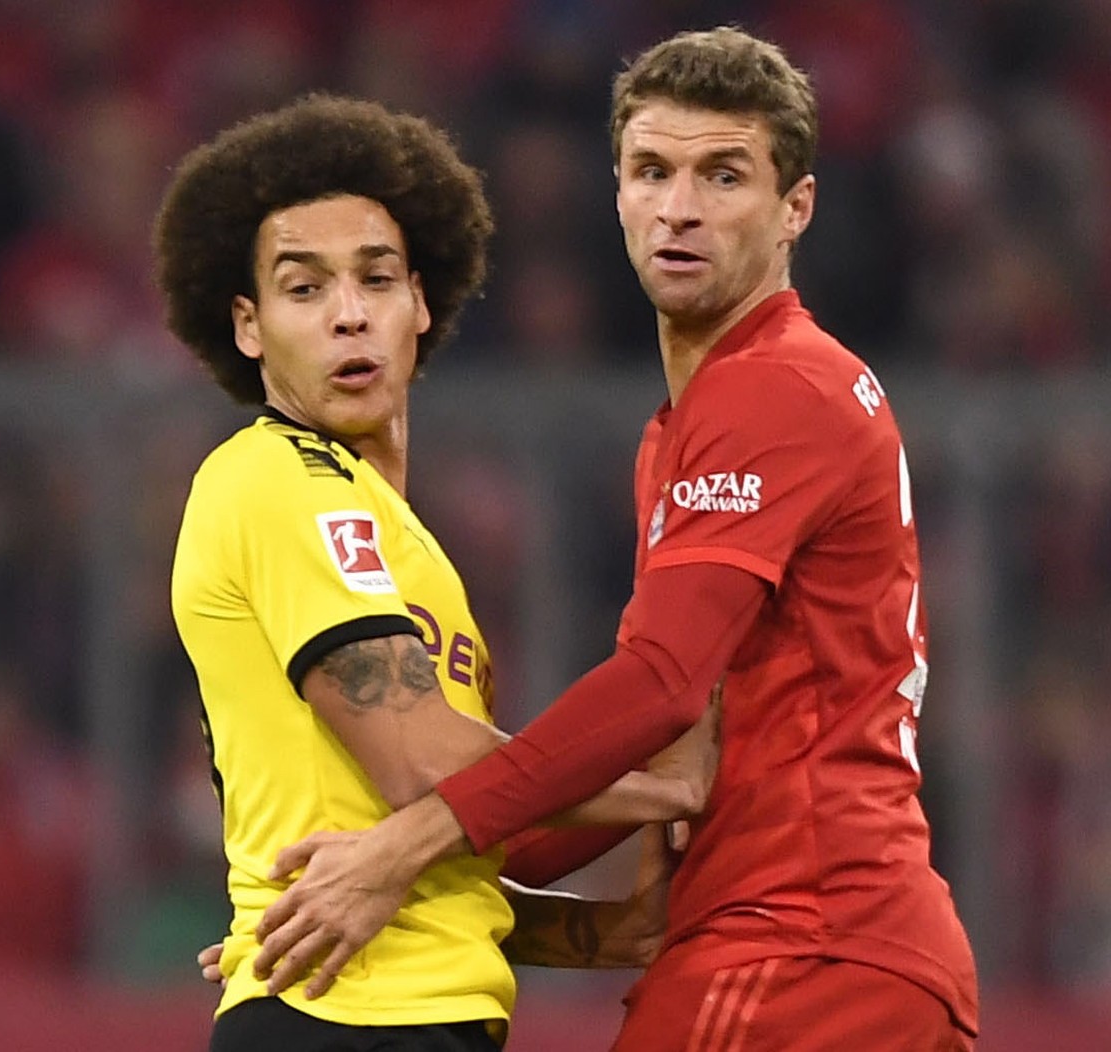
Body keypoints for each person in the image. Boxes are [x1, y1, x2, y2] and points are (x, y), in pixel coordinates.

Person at [250, 29, 981, 1052]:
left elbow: (660, 686)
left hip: (799, 943)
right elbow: (672, 755)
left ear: (795, 209)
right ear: (619, 193)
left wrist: (414, 839)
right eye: (652, 170)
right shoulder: (692, 424)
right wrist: (400, 872)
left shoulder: (771, 387)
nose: (679, 207)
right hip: (828, 946)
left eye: (723, 175)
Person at [155, 94, 718, 1052]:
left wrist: (585, 934)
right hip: (345, 1024)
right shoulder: (278, 478)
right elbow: (425, 761)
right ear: (247, 327)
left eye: (374, 280)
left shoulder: (399, 539)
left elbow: (423, 840)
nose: (347, 315)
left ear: (420, 301)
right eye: (303, 289)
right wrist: (661, 785)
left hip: (397, 1018)